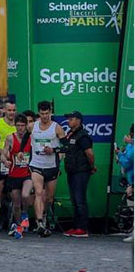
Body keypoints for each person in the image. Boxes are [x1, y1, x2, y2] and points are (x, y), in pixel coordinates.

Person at [29, 100, 65, 237]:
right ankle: (39, 223)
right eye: (42, 114)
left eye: (47, 113)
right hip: (36, 165)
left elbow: (67, 147)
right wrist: (21, 152)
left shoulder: (57, 128)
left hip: (51, 166)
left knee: (49, 198)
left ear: (51, 113)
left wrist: (54, 150)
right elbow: (25, 140)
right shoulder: (32, 126)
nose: (44, 116)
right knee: (38, 192)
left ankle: (43, 215)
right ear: (39, 113)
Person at [60, 111, 95, 237]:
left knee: (80, 200)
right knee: (74, 200)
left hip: (81, 172)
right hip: (72, 171)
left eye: (71, 118)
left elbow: (90, 154)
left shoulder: (82, 136)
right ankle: (76, 227)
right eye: (68, 118)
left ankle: (83, 228)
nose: (68, 121)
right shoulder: (71, 135)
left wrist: (91, 167)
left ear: (78, 120)